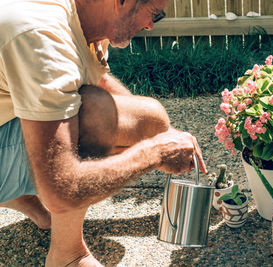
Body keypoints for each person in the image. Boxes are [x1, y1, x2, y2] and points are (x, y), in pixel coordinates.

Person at [0, 0, 207, 266]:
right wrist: (153, 152)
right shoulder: (43, 36)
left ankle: (21, 195)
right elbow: (63, 189)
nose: (150, 25)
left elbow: (95, 78)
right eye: (155, 13)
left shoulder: (82, 19)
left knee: (149, 118)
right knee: (94, 117)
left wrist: (161, 133)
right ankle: (68, 255)